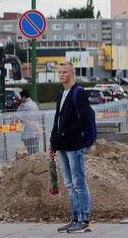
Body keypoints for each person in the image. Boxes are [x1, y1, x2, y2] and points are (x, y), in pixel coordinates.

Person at [49, 61, 93, 233]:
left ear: (72, 74)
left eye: (65, 72)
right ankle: (75, 217)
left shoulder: (79, 93)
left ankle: (85, 219)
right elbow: (57, 119)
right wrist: (53, 141)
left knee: (78, 182)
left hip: (75, 145)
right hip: (62, 145)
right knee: (69, 184)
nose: (61, 75)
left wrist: (65, 133)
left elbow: (85, 119)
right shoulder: (61, 94)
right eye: (59, 72)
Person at [16, 89, 41, 155]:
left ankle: (32, 163)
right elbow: (39, 117)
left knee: (29, 150)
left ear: (24, 97)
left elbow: (17, 117)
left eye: (21, 97)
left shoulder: (23, 106)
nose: (20, 99)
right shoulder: (34, 104)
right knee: (35, 151)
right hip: (36, 130)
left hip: (27, 131)